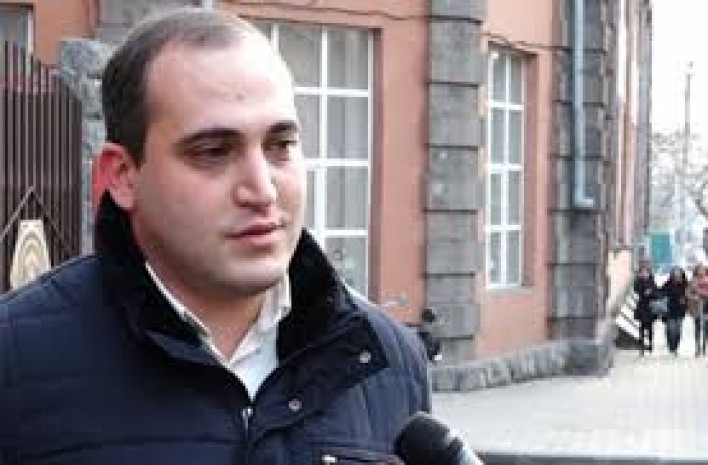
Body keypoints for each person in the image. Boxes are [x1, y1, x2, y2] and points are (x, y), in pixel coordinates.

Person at [0, 8, 430, 463]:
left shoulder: (387, 357)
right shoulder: (15, 362)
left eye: (280, 145)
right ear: (122, 175)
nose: (262, 190)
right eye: (213, 152)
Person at [661, 266, 689, 356]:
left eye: (678, 275)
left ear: (681, 275)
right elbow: (661, 292)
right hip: (670, 310)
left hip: (680, 310)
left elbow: (689, 295)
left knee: (678, 331)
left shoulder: (685, 284)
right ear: (672, 275)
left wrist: (685, 300)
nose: (677, 276)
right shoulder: (668, 284)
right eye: (675, 275)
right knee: (671, 330)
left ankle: (675, 347)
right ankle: (671, 347)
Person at [633, 260, 658, 355]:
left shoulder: (651, 280)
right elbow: (636, 290)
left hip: (650, 305)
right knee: (642, 325)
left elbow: (656, 292)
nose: (644, 274)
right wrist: (641, 284)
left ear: (649, 272)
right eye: (643, 272)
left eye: (646, 272)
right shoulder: (638, 281)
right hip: (642, 305)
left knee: (650, 326)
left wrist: (651, 292)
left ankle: (650, 343)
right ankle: (641, 345)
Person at [688, 264, 708, 356]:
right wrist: (693, 297)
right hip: (696, 306)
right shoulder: (693, 281)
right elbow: (688, 293)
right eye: (699, 270)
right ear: (696, 271)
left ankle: (704, 346)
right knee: (697, 327)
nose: (701, 272)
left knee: (706, 327)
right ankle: (697, 347)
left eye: (702, 270)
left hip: (706, 306)